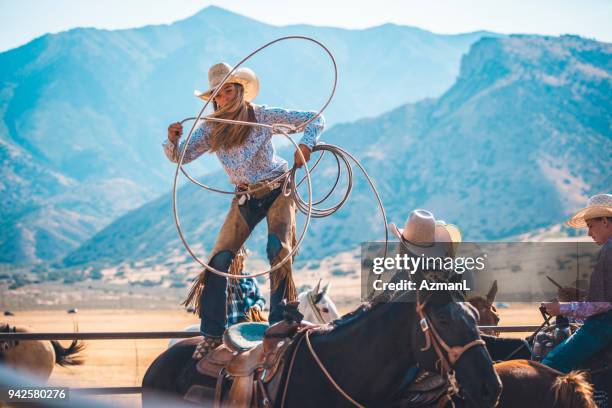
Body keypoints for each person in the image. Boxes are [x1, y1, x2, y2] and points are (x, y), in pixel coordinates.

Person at [163, 62, 325, 359]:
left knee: (278, 249)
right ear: (215, 99)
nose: (225, 96)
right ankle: (211, 333)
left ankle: (278, 323)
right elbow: (182, 157)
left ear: (239, 90)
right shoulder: (212, 129)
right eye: (219, 93)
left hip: (278, 188)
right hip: (245, 196)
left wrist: (306, 145)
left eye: (229, 89)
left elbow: (313, 119)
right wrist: (172, 140)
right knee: (219, 259)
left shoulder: (261, 116)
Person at [540, 193, 612, 372]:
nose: (589, 233)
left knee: (550, 365)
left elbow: (600, 304)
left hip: (604, 326)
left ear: (605, 221)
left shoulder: (609, 250)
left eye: (591, 226)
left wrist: (561, 308)